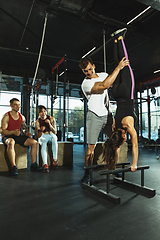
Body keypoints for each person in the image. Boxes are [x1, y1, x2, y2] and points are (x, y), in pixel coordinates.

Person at [79, 35, 130, 183]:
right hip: (94, 116)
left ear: (93, 66)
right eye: (85, 72)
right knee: (91, 148)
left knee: (115, 142)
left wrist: (124, 70)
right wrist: (119, 67)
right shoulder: (86, 84)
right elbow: (105, 86)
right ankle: (87, 173)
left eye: (89, 69)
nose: (88, 73)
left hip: (107, 115)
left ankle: (112, 169)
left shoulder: (102, 75)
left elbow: (113, 82)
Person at [103, 28, 138, 172]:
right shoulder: (114, 130)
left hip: (126, 92)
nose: (125, 140)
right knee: (118, 64)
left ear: (123, 136)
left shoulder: (128, 126)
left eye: (124, 139)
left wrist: (134, 164)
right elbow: (114, 148)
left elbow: (134, 146)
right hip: (116, 94)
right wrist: (113, 164)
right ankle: (115, 40)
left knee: (125, 63)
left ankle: (121, 37)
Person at [1, 98, 40, 176]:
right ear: (11, 106)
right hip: (7, 136)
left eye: (19, 105)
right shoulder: (6, 116)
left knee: (34, 142)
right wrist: (13, 132)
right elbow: (2, 131)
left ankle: (33, 164)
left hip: (17, 136)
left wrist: (27, 133)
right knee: (11, 142)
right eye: (15, 104)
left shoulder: (22, 117)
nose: (17, 106)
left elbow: (24, 128)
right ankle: (13, 167)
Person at [35, 105, 58, 173]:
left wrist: (50, 125)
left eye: (44, 111)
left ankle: (55, 160)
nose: (43, 113)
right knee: (43, 143)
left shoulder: (51, 119)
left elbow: (55, 132)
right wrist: (41, 130)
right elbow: (38, 136)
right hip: (43, 136)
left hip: (51, 134)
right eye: (41, 112)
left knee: (54, 138)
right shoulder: (37, 122)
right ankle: (45, 164)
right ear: (39, 113)